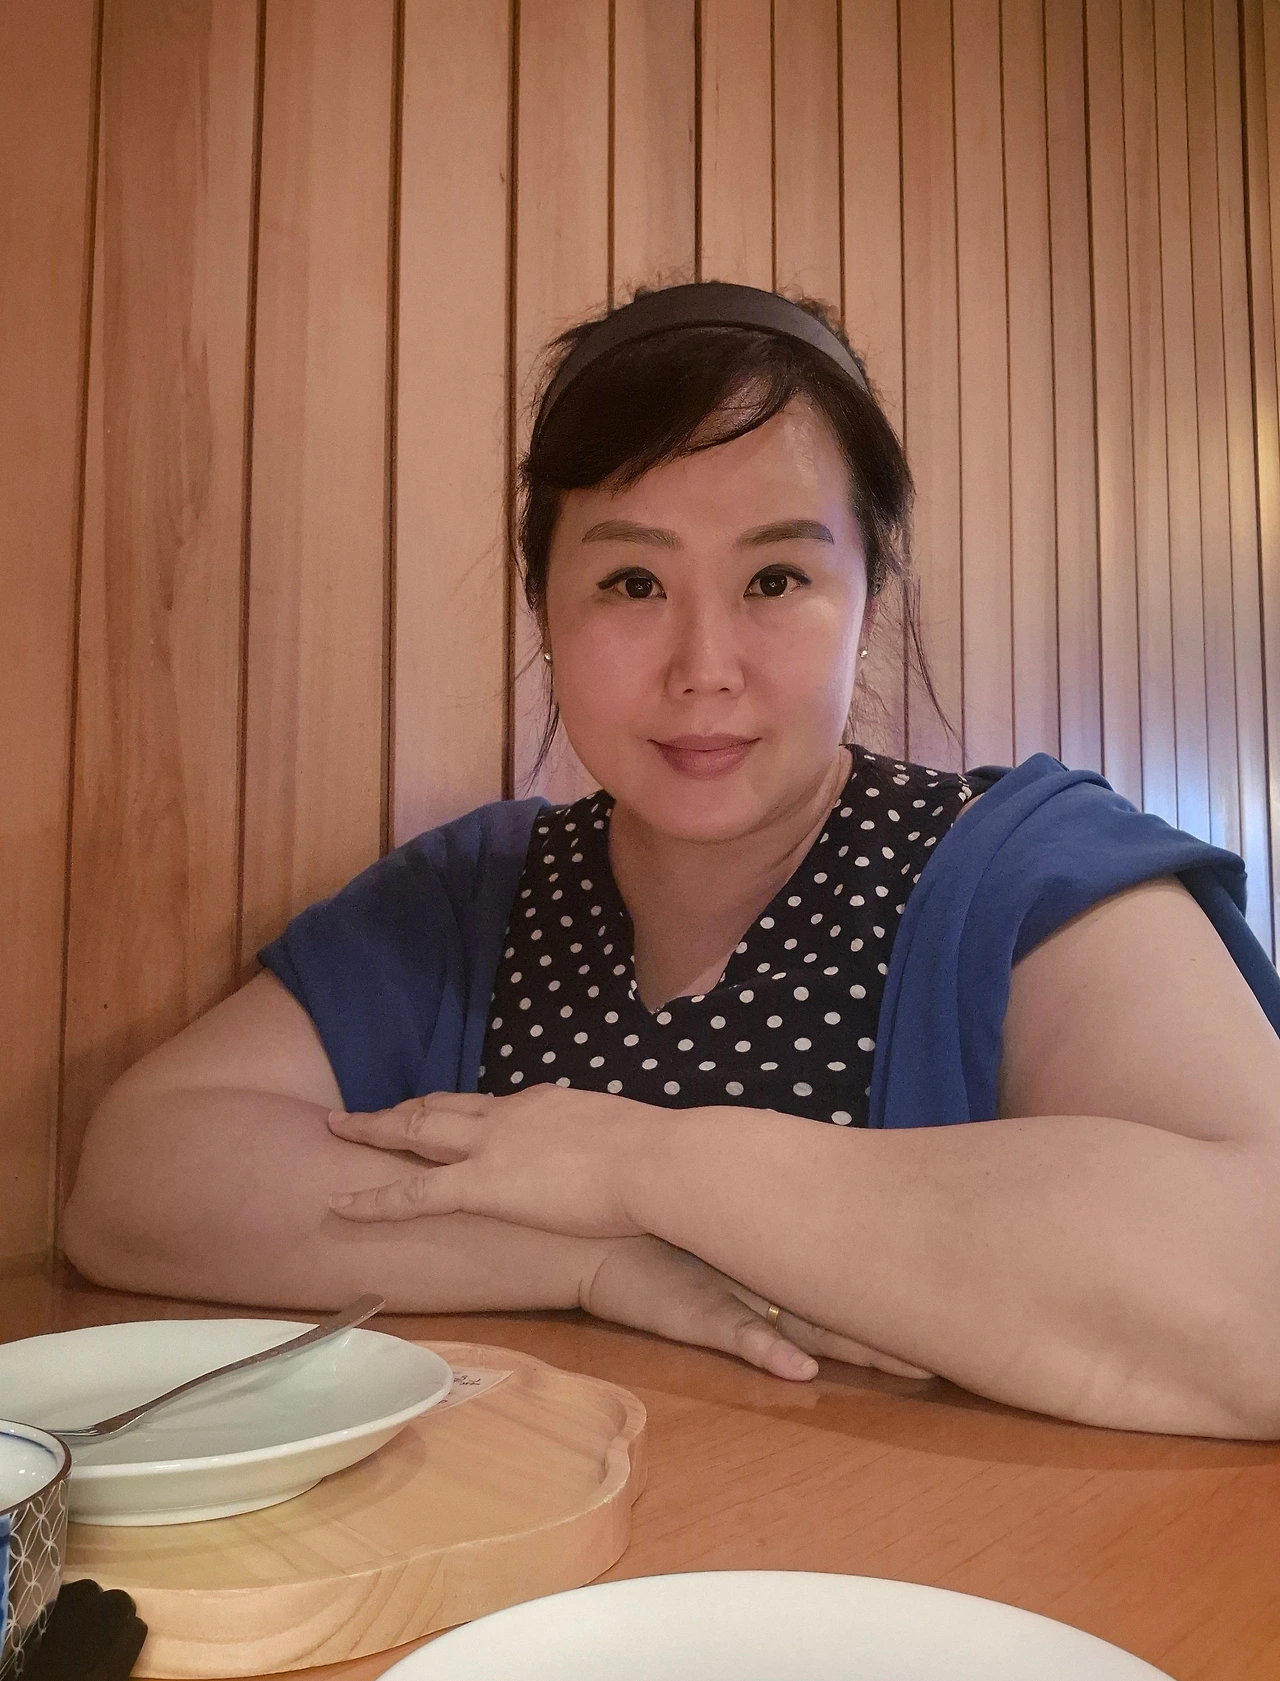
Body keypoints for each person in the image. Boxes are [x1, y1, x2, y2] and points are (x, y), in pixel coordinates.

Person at [63, 283, 1280, 1440]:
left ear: (868, 598)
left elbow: (1255, 1286)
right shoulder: (471, 895)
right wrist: (593, 1258)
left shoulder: (1022, 869)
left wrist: (633, 1159)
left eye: (774, 578)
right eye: (632, 581)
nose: (704, 667)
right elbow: (138, 1175)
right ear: (545, 608)